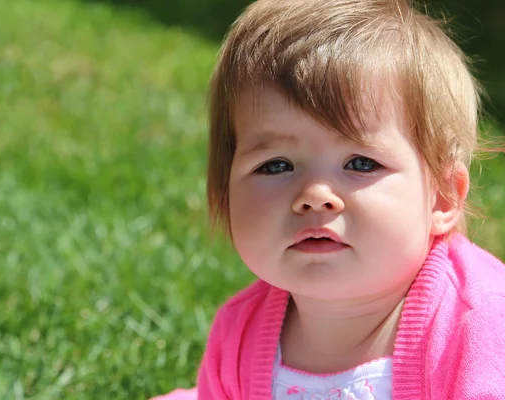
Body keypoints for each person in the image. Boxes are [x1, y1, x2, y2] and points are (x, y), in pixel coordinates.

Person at [154, 0, 505, 398]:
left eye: (360, 162)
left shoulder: (481, 326)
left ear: (440, 199)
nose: (315, 196)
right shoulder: (239, 334)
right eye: (276, 166)